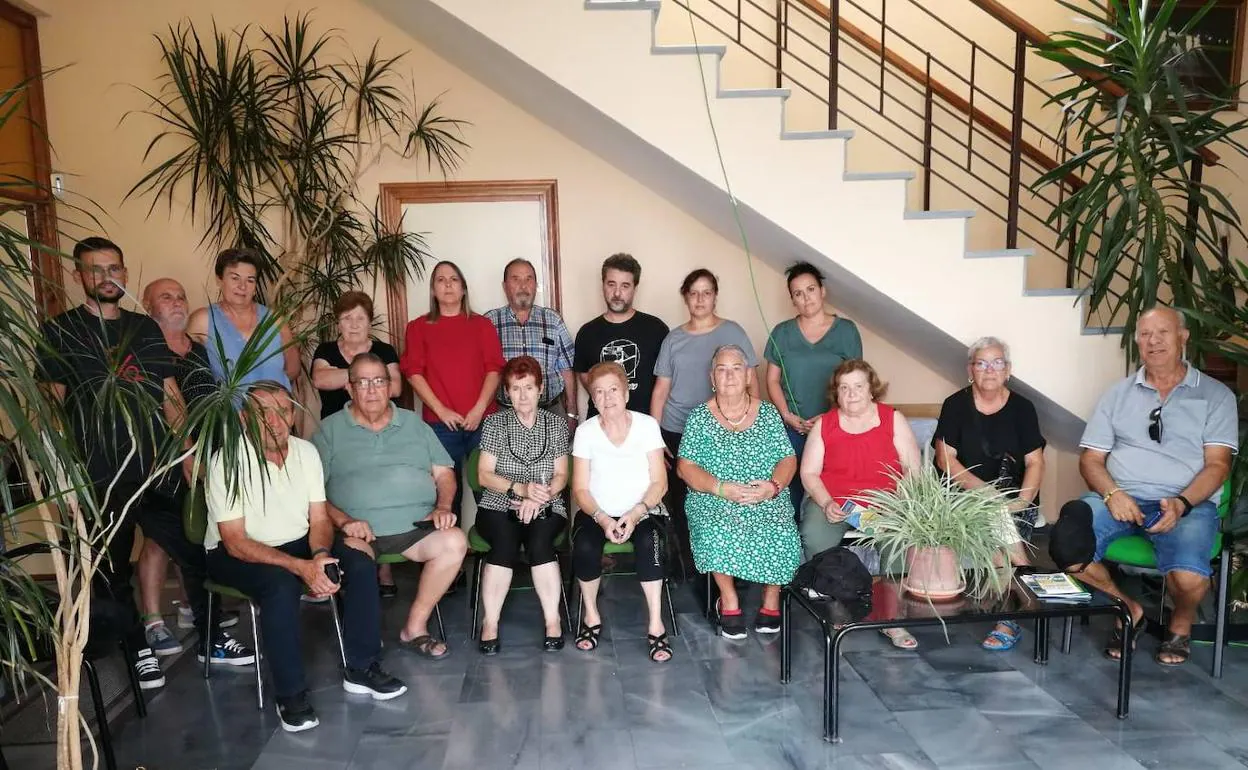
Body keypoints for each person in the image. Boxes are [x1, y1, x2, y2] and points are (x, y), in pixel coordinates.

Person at [39, 239, 253, 692]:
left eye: (114, 268)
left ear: (125, 273)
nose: (106, 277)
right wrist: (64, 475)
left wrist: (188, 452)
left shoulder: (143, 328)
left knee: (196, 552)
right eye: (95, 270)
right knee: (111, 572)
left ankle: (211, 637)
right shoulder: (61, 331)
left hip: (158, 467)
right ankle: (137, 648)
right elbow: (51, 409)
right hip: (98, 474)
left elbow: (170, 396)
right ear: (79, 275)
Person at [205, 383, 406, 733]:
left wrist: (320, 556)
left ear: (294, 415)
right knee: (280, 586)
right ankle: (291, 694)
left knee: (358, 563)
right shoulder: (227, 460)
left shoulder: (305, 452)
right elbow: (235, 541)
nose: (275, 421)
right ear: (243, 419)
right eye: (263, 413)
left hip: (299, 541)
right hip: (236, 552)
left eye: (283, 411)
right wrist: (300, 568)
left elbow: (318, 519)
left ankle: (362, 667)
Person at [1061, 307, 1236, 667]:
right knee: (1066, 544)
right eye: (1144, 334)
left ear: (1183, 337)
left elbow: (1218, 465)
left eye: (1163, 332)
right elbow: (1091, 460)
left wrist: (1183, 503)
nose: (1153, 341)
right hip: (1119, 497)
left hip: (1186, 502)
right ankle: (1128, 608)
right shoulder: (1117, 395)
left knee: (1188, 578)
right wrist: (1113, 494)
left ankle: (1181, 625)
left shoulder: (1216, 396)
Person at [312, 353, 468, 659]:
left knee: (455, 542)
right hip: (356, 531)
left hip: (414, 528)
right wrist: (343, 521)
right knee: (357, 564)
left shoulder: (414, 424)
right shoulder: (328, 431)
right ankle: (364, 636)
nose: (372, 390)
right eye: (363, 382)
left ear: (390, 386)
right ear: (350, 388)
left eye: (379, 381)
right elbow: (312, 493)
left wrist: (443, 506)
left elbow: (444, 473)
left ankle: (415, 627)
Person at [136, 277, 238, 655]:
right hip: (161, 456)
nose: (177, 303)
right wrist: (183, 451)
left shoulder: (198, 349)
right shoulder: (143, 348)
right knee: (158, 540)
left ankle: (187, 608)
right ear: (149, 306)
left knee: (193, 530)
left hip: (205, 453)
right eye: (166, 297)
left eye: (181, 296)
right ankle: (153, 620)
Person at [677, 345, 802, 639]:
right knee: (716, 528)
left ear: (748, 376)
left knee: (781, 529)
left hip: (763, 493)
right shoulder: (699, 417)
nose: (729, 375)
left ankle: (771, 599)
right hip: (716, 495)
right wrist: (721, 488)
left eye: (736, 368)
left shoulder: (769, 414)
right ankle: (729, 599)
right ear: (712, 377)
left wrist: (772, 487)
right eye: (721, 369)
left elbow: (787, 459)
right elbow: (685, 467)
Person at [798, 359, 922, 649]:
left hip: (887, 503)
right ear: (836, 393)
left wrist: (899, 505)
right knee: (814, 537)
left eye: (858, 387)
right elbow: (809, 473)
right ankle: (838, 610)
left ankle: (891, 620)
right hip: (836, 501)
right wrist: (826, 502)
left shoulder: (893, 419)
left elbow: (913, 470)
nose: (851, 394)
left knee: (900, 543)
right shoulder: (824, 425)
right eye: (844, 388)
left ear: (871, 390)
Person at [933, 336, 1046, 651]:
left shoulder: (1023, 408)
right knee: (999, 533)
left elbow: (1035, 461)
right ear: (971, 369)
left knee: (1000, 527)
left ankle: (1017, 606)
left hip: (1015, 498)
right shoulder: (955, 405)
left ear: (1008, 370)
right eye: (981, 363)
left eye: (997, 362)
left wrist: (1023, 500)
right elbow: (945, 459)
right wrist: (988, 495)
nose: (989, 369)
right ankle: (1023, 606)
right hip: (964, 498)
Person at [652, 268, 757, 578]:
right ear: (686, 297)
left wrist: (751, 425)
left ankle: (732, 570)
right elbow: (661, 391)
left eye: (706, 292)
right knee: (683, 505)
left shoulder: (734, 332)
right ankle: (693, 571)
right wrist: (655, 441)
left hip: (725, 431)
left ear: (715, 297)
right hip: (676, 431)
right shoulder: (674, 338)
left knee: (726, 499)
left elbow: (751, 384)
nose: (699, 299)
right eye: (693, 293)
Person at [573, 362, 672, 663]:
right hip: (597, 512)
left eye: (613, 390)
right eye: (598, 392)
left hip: (645, 510)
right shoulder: (585, 432)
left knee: (648, 542)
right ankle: (591, 615)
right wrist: (603, 518)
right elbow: (580, 489)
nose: (607, 398)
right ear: (592, 398)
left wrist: (636, 512)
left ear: (626, 394)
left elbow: (660, 481)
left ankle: (656, 622)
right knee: (585, 545)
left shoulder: (647, 426)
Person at [473, 356, 571, 654]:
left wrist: (538, 497)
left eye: (529, 387)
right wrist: (520, 490)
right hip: (498, 503)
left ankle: (552, 621)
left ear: (540, 389)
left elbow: (562, 475)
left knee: (541, 543)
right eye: (516, 389)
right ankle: (490, 623)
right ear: (507, 392)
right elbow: (484, 475)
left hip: (547, 502)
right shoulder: (494, 423)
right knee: (504, 543)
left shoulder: (555, 424)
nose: (523, 395)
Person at [400, 260, 505, 517]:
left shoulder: (482, 325)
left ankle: (496, 554)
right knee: (447, 496)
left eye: (453, 279)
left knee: (489, 493)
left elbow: (494, 369)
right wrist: (442, 411)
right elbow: (413, 373)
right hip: (439, 424)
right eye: (440, 280)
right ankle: (451, 551)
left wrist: (479, 409)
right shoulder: (418, 327)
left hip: (482, 420)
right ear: (433, 290)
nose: (447, 285)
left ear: (463, 289)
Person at [764, 262, 862, 516]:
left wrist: (829, 417)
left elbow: (856, 380)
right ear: (792, 300)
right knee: (790, 490)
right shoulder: (782, 333)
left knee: (832, 491)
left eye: (810, 289)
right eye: (798, 293)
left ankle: (829, 551)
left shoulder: (846, 331)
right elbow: (772, 379)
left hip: (835, 426)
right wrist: (786, 415)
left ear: (822, 291)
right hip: (792, 427)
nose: (806, 298)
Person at [188, 248, 300, 389]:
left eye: (250, 280)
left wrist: (270, 396)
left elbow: (293, 370)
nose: (242, 286)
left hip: (275, 409)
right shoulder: (202, 321)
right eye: (235, 278)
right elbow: (188, 374)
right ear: (219, 280)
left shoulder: (274, 320)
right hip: (227, 410)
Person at [574, 253, 669, 417]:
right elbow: (585, 377)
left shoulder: (657, 329)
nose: (617, 293)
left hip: (644, 425)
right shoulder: (586, 333)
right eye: (611, 284)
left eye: (625, 286)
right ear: (603, 285)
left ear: (635, 288)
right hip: (601, 424)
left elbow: (665, 381)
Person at [485, 258, 577, 421]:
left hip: (551, 412)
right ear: (505, 286)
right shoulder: (490, 322)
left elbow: (567, 370)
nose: (523, 285)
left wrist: (571, 413)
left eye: (529, 279)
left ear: (535, 285)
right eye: (516, 279)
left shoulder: (552, 319)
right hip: (505, 415)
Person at [311, 291, 400, 420]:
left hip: (378, 426)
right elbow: (320, 379)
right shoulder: (326, 350)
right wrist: (375, 378)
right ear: (338, 325)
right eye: (347, 318)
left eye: (360, 318)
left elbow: (395, 387)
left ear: (369, 324)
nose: (354, 325)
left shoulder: (384, 350)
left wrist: (340, 376)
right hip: (335, 428)